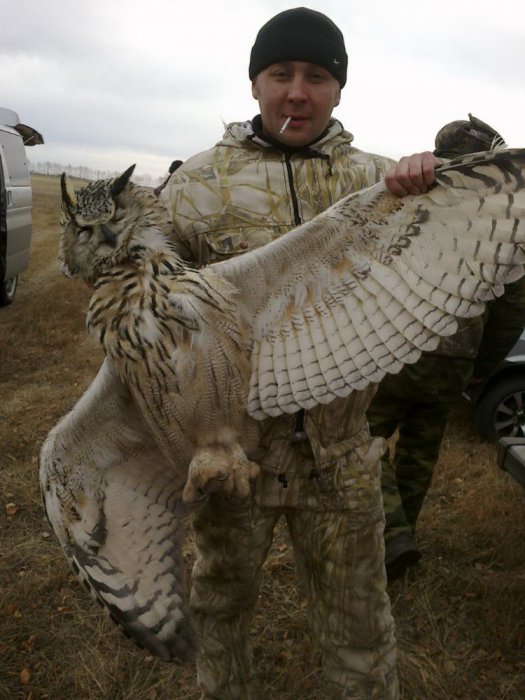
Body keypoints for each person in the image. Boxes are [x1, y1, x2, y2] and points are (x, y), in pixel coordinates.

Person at [166, 8, 437, 699]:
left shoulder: (383, 183)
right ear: (254, 83)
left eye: (316, 76)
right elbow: (146, 315)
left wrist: (434, 190)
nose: (297, 91)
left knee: (359, 631)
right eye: (280, 74)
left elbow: (446, 261)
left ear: (338, 89)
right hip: (235, 461)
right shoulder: (194, 188)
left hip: (340, 458)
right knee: (219, 614)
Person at [366, 114, 525, 582]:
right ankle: (402, 541)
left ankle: (391, 535)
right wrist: (481, 368)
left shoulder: (414, 200)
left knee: (361, 438)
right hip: (457, 359)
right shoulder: (505, 216)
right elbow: (512, 308)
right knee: (420, 451)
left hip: (402, 350)